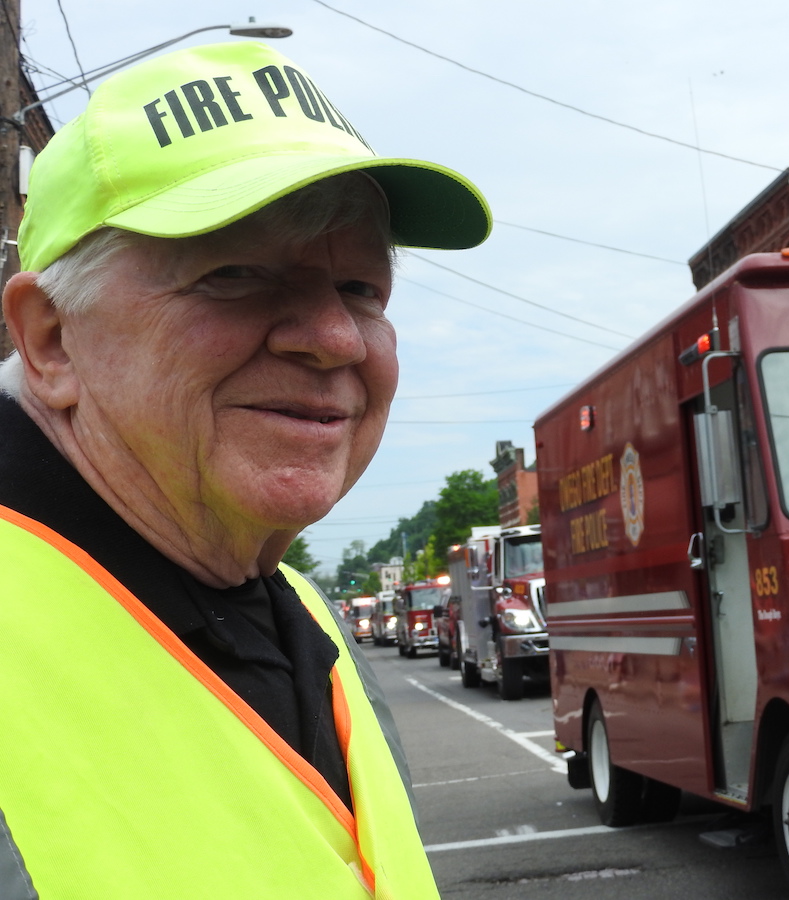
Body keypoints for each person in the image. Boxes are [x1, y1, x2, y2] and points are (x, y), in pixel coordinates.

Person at [0, 41, 490, 899]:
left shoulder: (312, 621)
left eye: (363, 290)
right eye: (236, 274)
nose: (334, 337)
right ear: (49, 339)